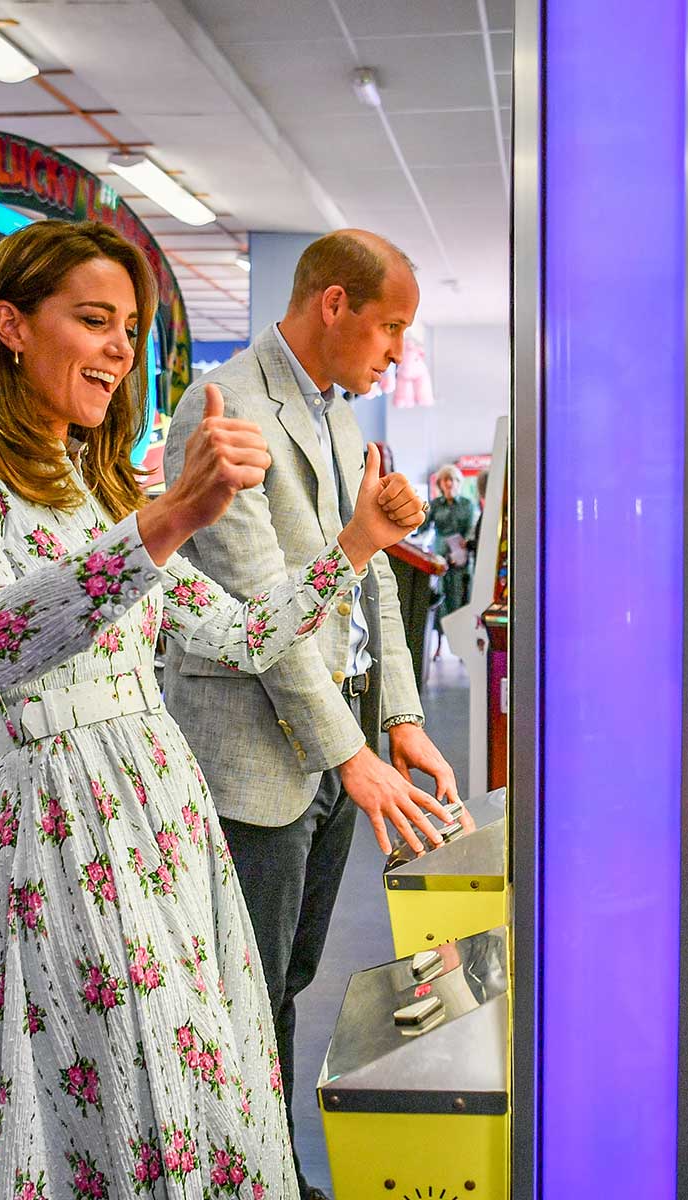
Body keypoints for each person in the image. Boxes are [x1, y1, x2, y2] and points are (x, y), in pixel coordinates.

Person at [0, 220, 425, 1200]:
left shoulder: (97, 502)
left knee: (198, 1088)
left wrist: (356, 543)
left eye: (129, 330)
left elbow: (247, 635)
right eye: (94, 320)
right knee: (109, 1095)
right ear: (10, 325)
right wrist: (170, 517)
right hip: (65, 826)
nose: (117, 350)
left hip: (164, 819)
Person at [162, 230, 469, 1195]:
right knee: (241, 992)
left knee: (289, 977)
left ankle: (263, 1168)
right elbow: (261, 609)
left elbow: (363, 572)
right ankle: (247, 1175)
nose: (396, 352)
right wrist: (349, 756)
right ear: (332, 304)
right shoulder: (223, 410)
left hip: (337, 738)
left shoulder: (338, 415)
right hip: (254, 750)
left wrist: (402, 718)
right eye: (389, 326)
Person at [420, 464, 480, 623]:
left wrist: (461, 550)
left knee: (460, 596)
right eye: (446, 480)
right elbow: (423, 527)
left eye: (453, 480)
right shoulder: (435, 504)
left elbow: (471, 529)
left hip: (461, 555)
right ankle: (440, 636)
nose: (449, 483)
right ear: (440, 483)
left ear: (459, 483)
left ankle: (459, 633)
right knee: (440, 597)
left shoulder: (467, 504)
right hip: (439, 556)